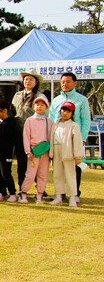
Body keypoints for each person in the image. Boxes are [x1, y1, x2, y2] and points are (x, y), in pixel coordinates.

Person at [49, 72, 92, 201]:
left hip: (74, 138)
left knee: (74, 167)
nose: (65, 84)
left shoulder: (81, 100)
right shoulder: (56, 100)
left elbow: (86, 120)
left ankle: (75, 194)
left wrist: (83, 139)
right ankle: (60, 194)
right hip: (58, 140)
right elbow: (51, 119)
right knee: (58, 169)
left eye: (68, 82)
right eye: (63, 82)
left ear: (75, 83)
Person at [12, 70, 43, 187]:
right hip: (19, 132)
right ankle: (21, 186)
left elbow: (44, 115)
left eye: (30, 79)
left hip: (33, 134)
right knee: (21, 161)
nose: (27, 81)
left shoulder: (39, 96)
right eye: (26, 79)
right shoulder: (17, 95)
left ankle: (40, 187)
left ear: (36, 82)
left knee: (35, 162)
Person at [50, 101, 84, 207]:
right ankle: (59, 196)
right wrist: (51, 153)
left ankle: (73, 197)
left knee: (70, 175)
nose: (65, 113)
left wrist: (78, 156)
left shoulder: (74, 126)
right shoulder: (56, 124)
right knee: (57, 175)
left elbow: (77, 141)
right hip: (57, 150)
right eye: (63, 110)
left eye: (68, 111)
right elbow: (52, 139)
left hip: (68, 152)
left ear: (72, 113)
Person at [19, 94, 52, 204]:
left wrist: (51, 153)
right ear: (33, 107)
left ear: (46, 107)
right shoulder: (29, 121)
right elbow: (26, 137)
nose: (39, 107)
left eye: (42, 105)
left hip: (45, 152)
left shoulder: (49, 122)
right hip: (33, 151)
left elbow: (51, 138)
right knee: (30, 174)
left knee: (43, 174)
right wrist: (28, 151)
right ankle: (23, 193)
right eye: (37, 104)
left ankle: (40, 195)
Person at [0, 100, 19, 202]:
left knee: (5, 173)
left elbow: (6, 135)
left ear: (4, 110)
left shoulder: (11, 122)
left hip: (5, 153)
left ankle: (12, 193)